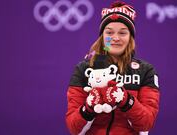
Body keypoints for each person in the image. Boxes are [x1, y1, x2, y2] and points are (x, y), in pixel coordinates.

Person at [66, 1, 160, 135]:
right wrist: (89, 107)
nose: (115, 38)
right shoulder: (84, 69)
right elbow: (73, 127)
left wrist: (126, 100)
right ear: (102, 37)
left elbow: (146, 123)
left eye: (122, 33)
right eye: (109, 33)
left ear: (130, 38)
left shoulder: (145, 70)